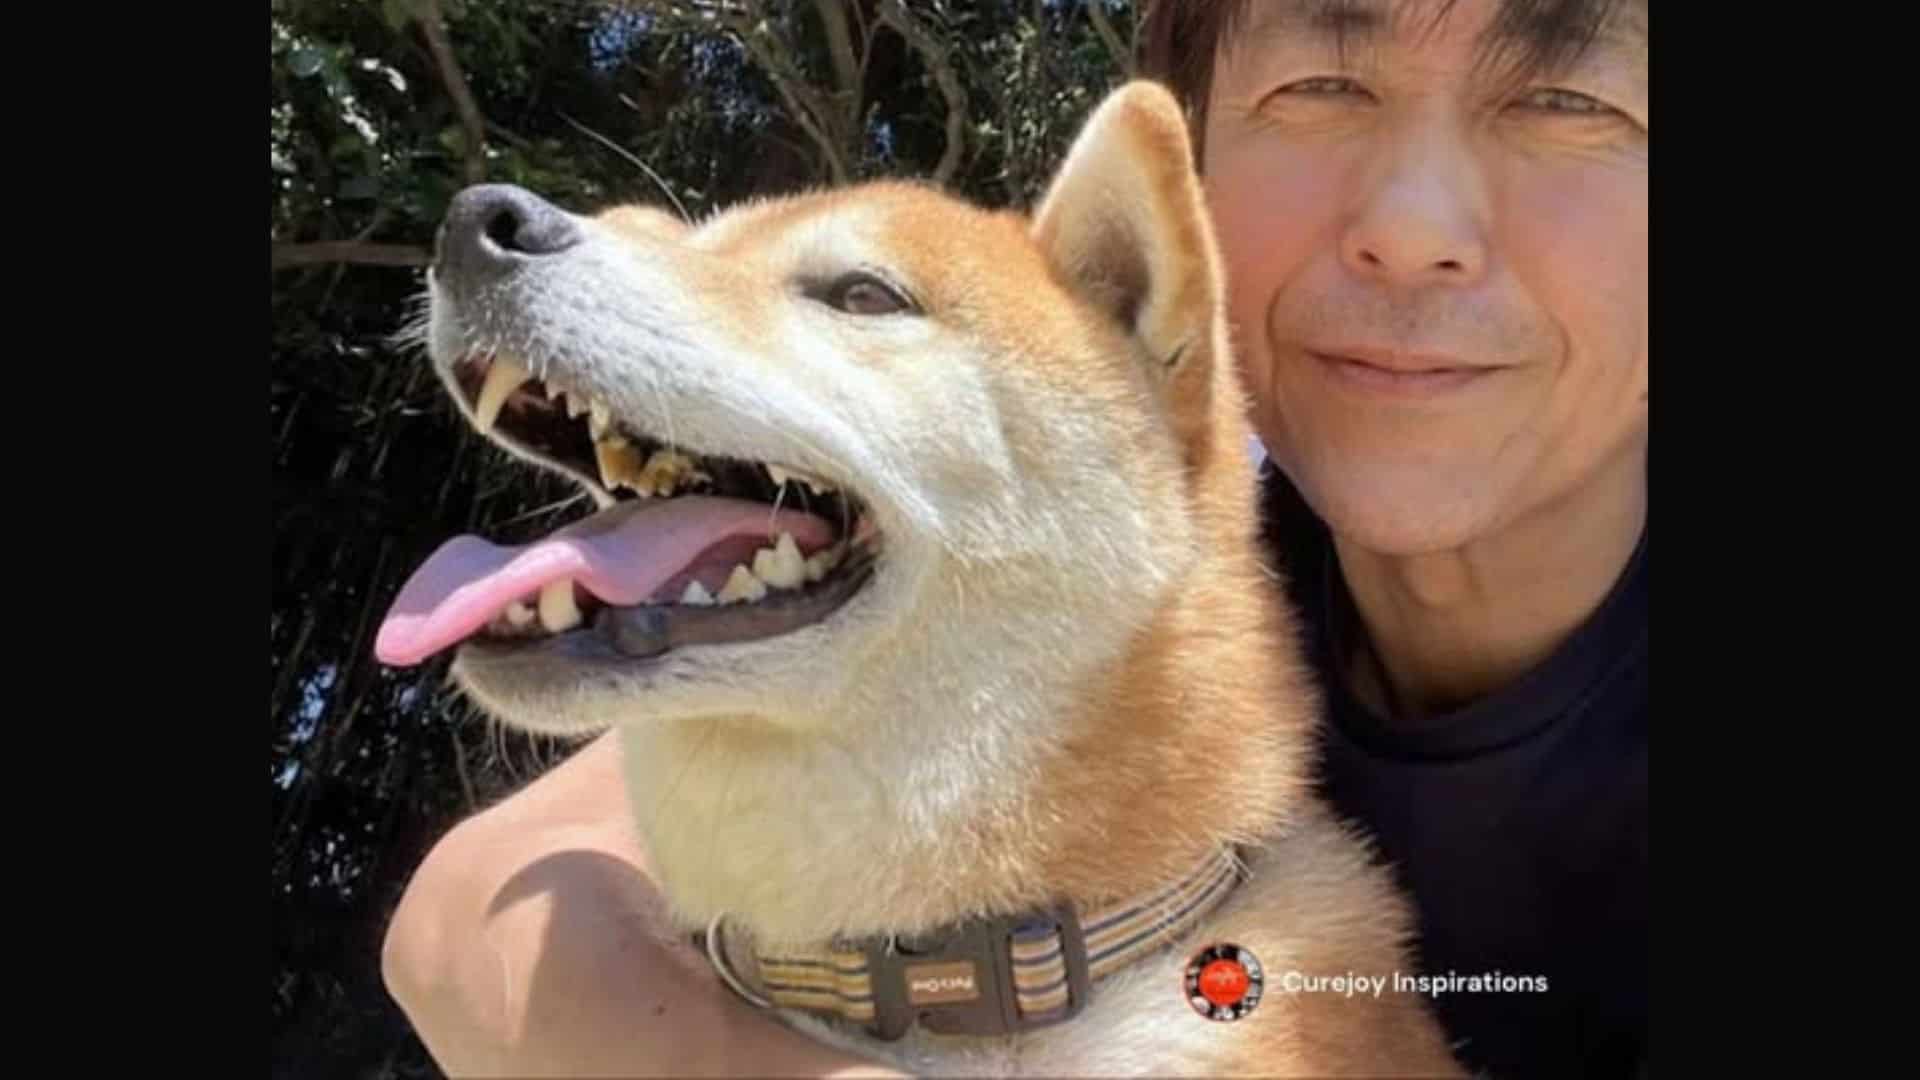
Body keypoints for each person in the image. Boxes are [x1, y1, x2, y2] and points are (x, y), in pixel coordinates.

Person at [379, 0, 1647, 1076]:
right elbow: (468, 914)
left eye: (1572, 104)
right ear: (1191, 189)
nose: (1413, 224)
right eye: (1322, 83)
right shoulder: (1149, 549)